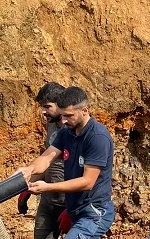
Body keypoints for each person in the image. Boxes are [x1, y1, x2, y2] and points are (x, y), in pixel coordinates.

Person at [15, 87, 115, 239]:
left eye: (69, 116)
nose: (64, 121)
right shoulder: (66, 132)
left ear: (84, 110)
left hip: (94, 212)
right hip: (75, 209)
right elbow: (47, 158)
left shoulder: (97, 137)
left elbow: (87, 182)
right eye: (62, 116)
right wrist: (29, 170)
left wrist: (47, 187)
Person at [17, 82, 69, 239]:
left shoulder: (76, 130)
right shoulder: (52, 124)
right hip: (48, 200)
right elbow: (47, 160)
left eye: (47, 106)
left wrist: (74, 210)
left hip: (70, 203)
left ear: (61, 105)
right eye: (41, 106)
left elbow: (89, 175)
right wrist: (28, 185)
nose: (43, 112)